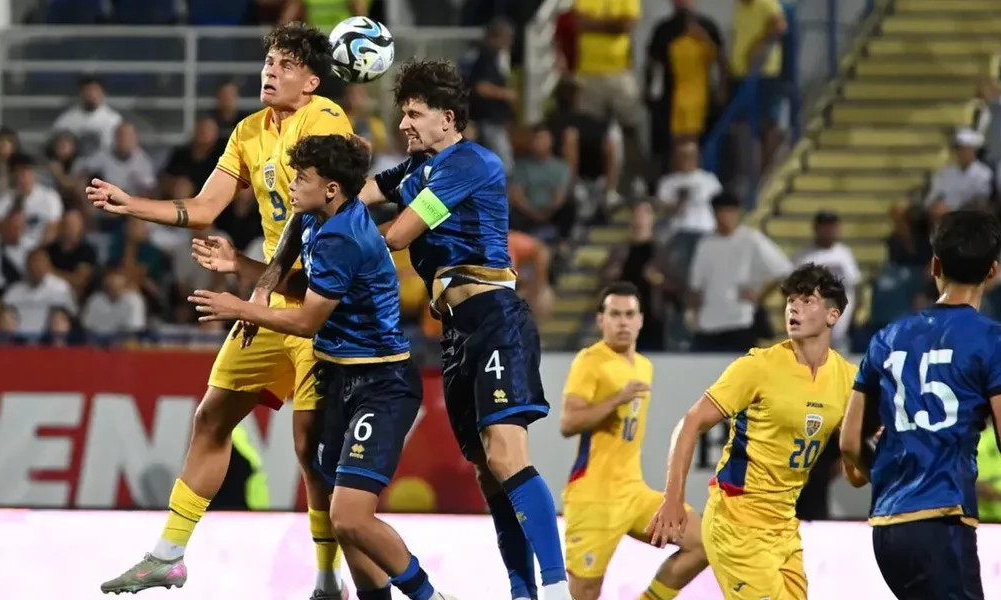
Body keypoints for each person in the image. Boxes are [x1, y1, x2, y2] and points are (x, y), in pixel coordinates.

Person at [92, 22, 357, 598]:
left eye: (286, 65)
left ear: (312, 81)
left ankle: (326, 577)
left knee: (309, 446)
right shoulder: (248, 131)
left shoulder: (326, 119)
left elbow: (312, 214)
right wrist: (131, 204)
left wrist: (256, 278)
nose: (271, 71)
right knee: (211, 418)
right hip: (269, 294)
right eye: (269, 61)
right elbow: (206, 207)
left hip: (321, 303)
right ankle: (168, 556)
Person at [327, 59, 568, 600]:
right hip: (456, 334)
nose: (404, 124)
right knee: (487, 471)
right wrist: (332, 181)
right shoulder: (414, 171)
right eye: (402, 113)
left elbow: (398, 235)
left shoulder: (472, 163)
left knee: (506, 456)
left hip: (494, 318)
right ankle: (523, 592)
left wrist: (336, 249)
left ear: (448, 119)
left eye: (415, 114)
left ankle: (557, 587)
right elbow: (355, 195)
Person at [188, 135, 454, 600]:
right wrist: (242, 266)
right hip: (341, 380)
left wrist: (240, 307)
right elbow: (309, 287)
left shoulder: (343, 235)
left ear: (331, 188)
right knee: (340, 515)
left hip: (380, 384)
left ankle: (430, 597)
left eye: (302, 178)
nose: (291, 185)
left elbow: (308, 320)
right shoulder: (319, 220)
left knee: (350, 516)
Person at [838, 209, 1001, 600]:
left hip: (887, 529)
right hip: (941, 520)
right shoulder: (995, 341)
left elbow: (848, 442)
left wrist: (877, 474)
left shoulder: (886, 337)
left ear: (934, 266)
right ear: (993, 272)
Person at [649, 264, 860, 600]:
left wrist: (867, 461)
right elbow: (691, 424)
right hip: (736, 521)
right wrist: (673, 498)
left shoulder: (847, 378)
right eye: (790, 301)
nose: (794, 308)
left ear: (833, 316)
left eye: (807, 301)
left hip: (784, 526)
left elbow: (855, 466)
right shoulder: (757, 367)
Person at [559, 282, 708, 600]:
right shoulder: (590, 361)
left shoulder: (643, 366)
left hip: (634, 492)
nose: (623, 322)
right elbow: (569, 423)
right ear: (601, 320)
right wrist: (616, 399)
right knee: (585, 592)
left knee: (704, 541)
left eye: (629, 315)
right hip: (594, 497)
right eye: (615, 314)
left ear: (641, 320)